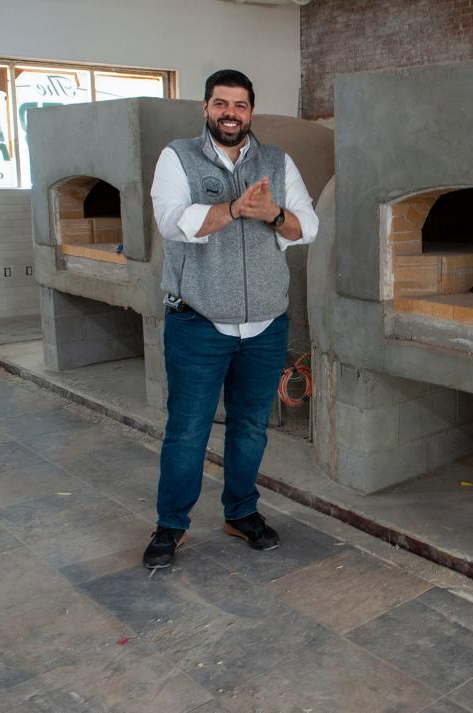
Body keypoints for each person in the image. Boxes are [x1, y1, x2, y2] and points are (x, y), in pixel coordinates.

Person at [143, 69, 318, 568]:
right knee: (188, 430)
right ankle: (170, 525)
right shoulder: (177, 157)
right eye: (221, 104)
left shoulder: (277, 162)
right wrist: (235, 208)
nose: (230, 114)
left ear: (251, 112)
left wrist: (271, 214)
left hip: (265, 324)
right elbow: (173, 222)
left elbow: (308, 226)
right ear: (205, 108)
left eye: (240, 106)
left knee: (249, 429)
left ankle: (240, 513)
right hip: (198, 322)